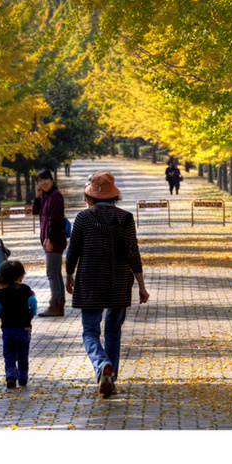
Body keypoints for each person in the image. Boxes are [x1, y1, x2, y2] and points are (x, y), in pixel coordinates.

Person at [65, 170, 149, 398]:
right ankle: (111, 380)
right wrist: (141, 285)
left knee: (90, 331)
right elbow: (133, 252)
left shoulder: (82, 218)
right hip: (118, 281)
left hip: (90, 282)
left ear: (90, 196)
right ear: (114, 196)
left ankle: (102, 364)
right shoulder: (125, 218)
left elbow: (73, 251)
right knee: (113, 331)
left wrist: (69, 275)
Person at [0, 258, 38, 390]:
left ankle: (11, 377)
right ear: (21, 276)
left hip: (8, 329)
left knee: (10, 355)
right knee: (23, 355)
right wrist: (32, 312)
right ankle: (23, 378)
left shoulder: (1, 293)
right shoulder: (25, 289)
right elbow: (33, 301)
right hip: (24, 328)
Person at [31, 168, 67, 316]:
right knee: (55, 273)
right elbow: (34, 211)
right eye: (39, 181)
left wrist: (49, 238)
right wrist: (37, 197)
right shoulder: (46, 196)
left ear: (52, 180)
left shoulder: (56, 196)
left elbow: (53, 218)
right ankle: (58, 305)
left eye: (45, 179)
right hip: (49, 238)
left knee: (52, 273)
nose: (43, 183)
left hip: (54, 239)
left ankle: (55, 305)